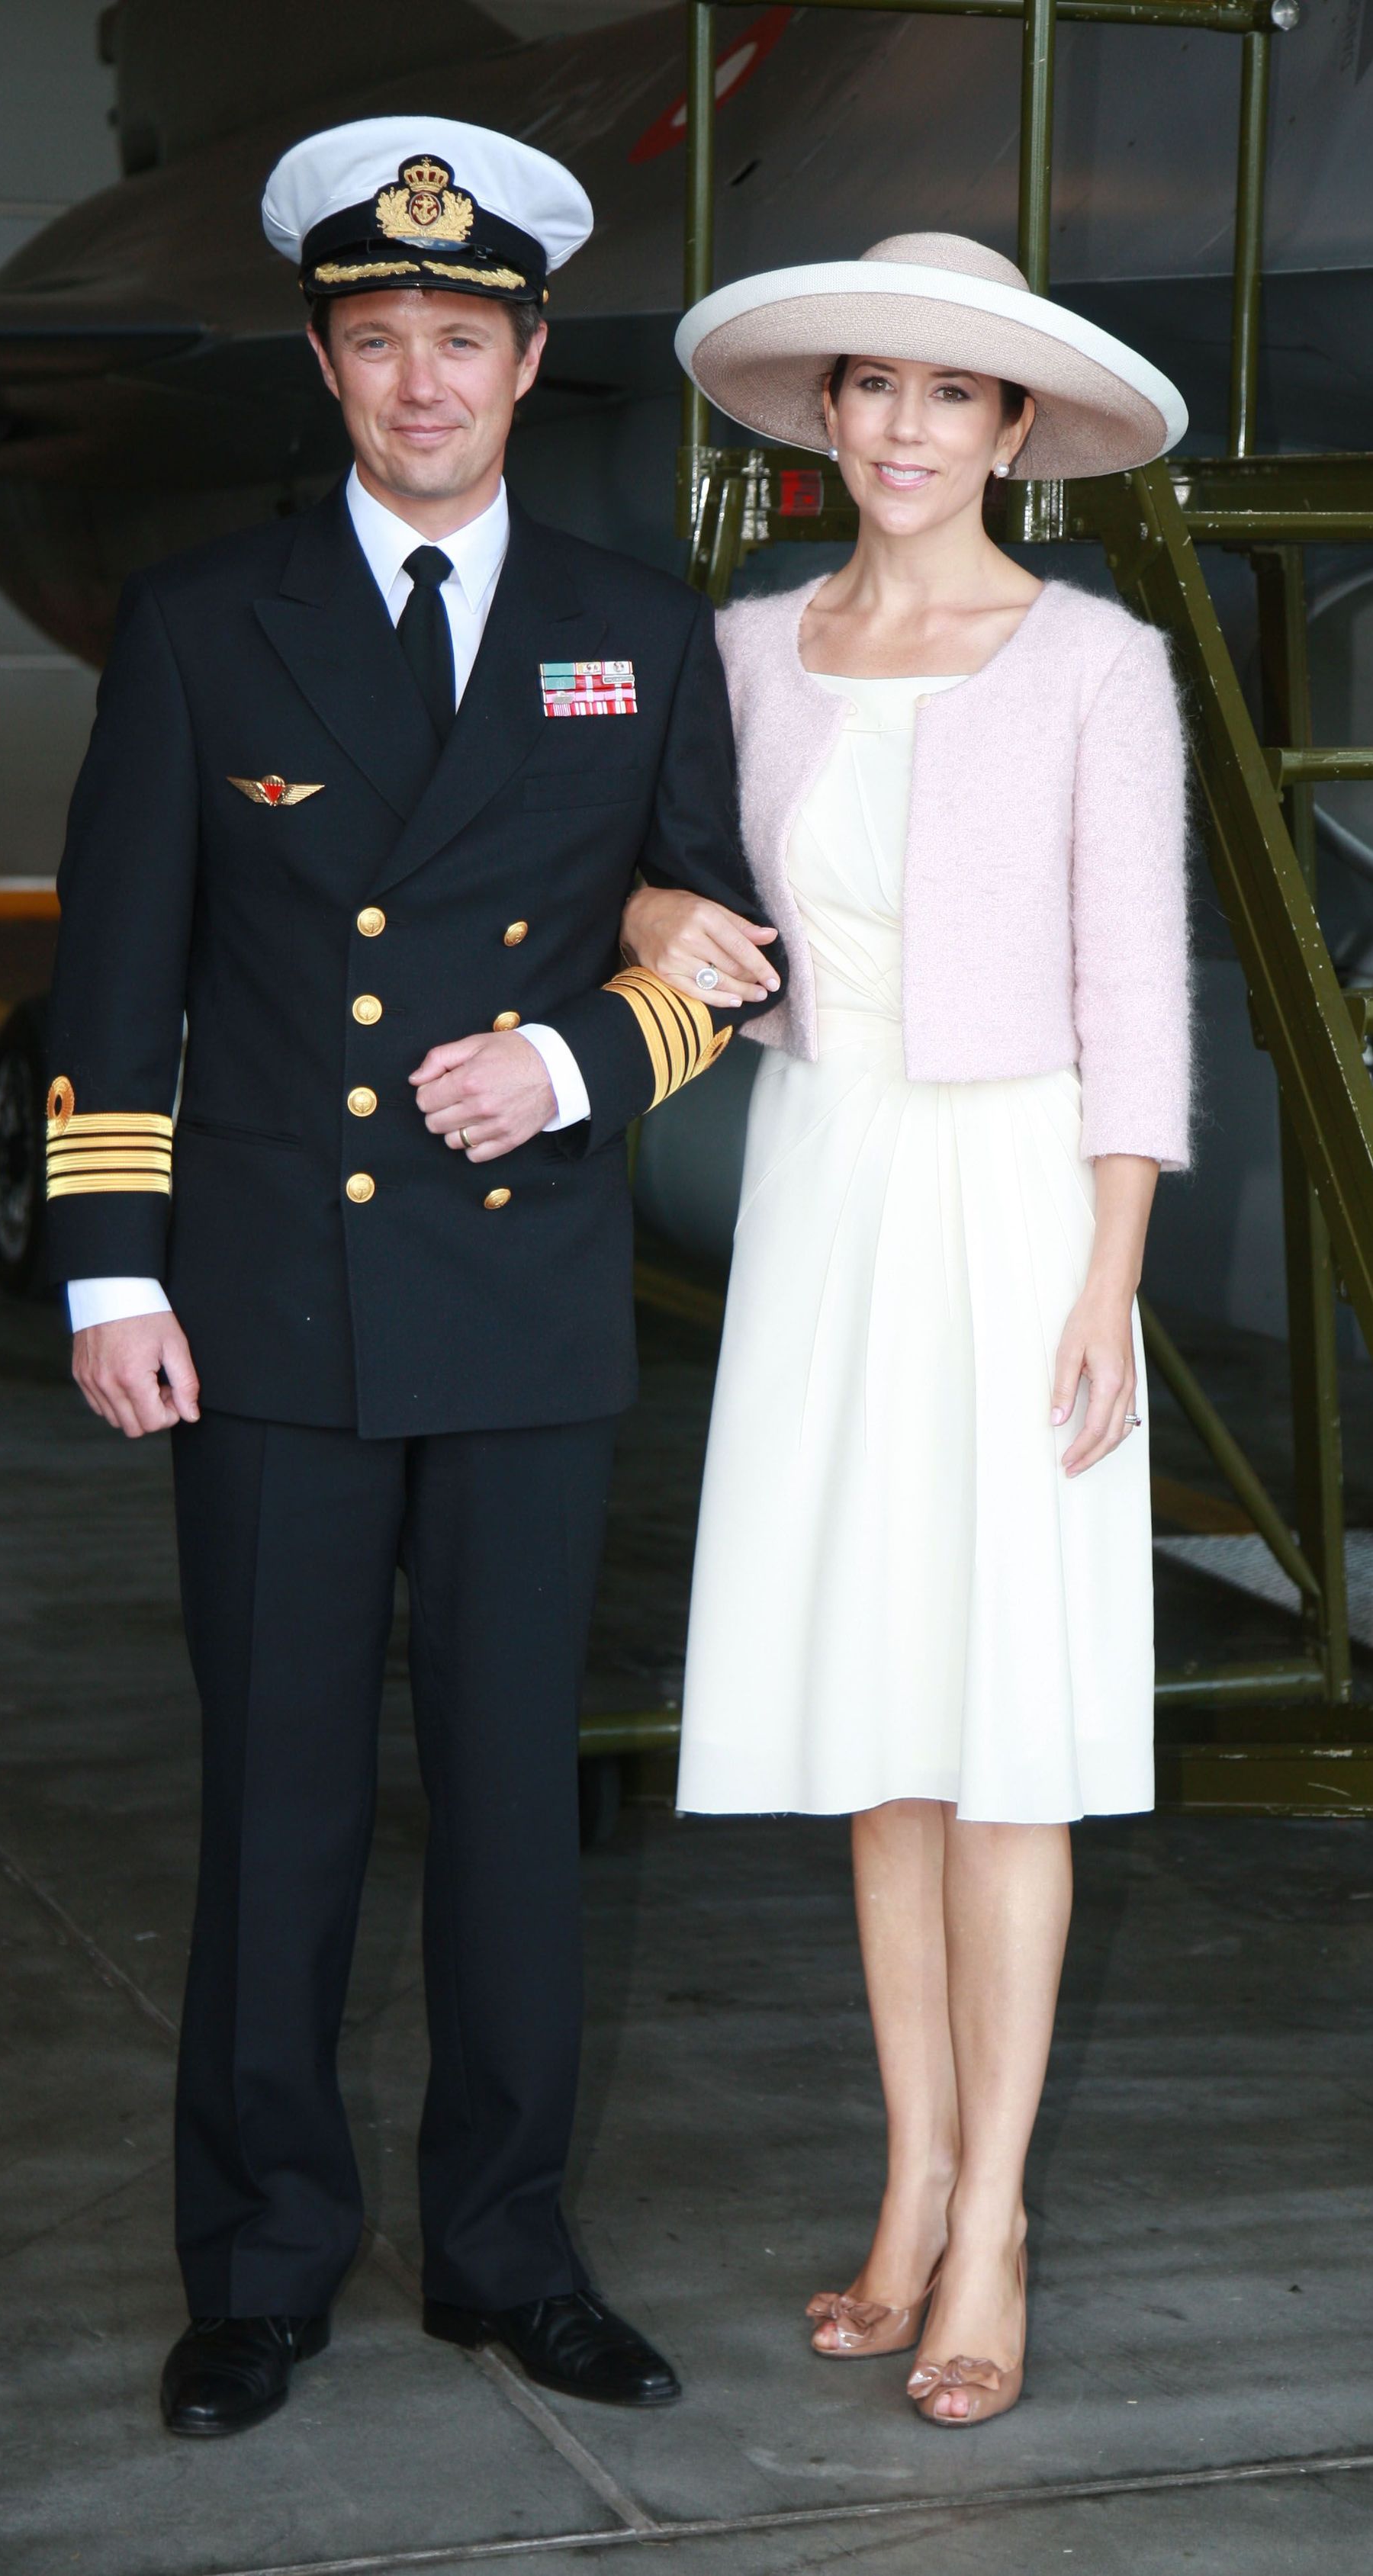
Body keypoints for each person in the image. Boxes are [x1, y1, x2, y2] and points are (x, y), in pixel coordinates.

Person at [44, 114, 783, 2437]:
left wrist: (572, 1062)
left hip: (520, 1306)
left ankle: (505, 2249)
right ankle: (258, 2262)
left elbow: (722, 949)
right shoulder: (198, 626)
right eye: (380, 342)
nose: (423, 381)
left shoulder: (632, 634)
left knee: (505, 1813)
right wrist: (104, 1280)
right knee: (275, 1812)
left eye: (462, 340)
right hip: (261, 1306)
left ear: (527, 354)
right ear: (326, 361)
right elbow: (113, 979)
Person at [619, 234, 1190, 2428]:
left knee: (1007, 1740)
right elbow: (663, 883)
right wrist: (650, 910)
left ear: (1011, 436)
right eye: (870, 387)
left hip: (1016, 1194)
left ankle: (993, 2225)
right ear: (823, 415)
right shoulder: (746, 649)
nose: (903, 428)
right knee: (877, 1735)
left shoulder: (1090, 663)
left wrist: (1106, 1273)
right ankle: (907, 2173)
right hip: (826, 1191)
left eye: (951, 398)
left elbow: (1132, 989)